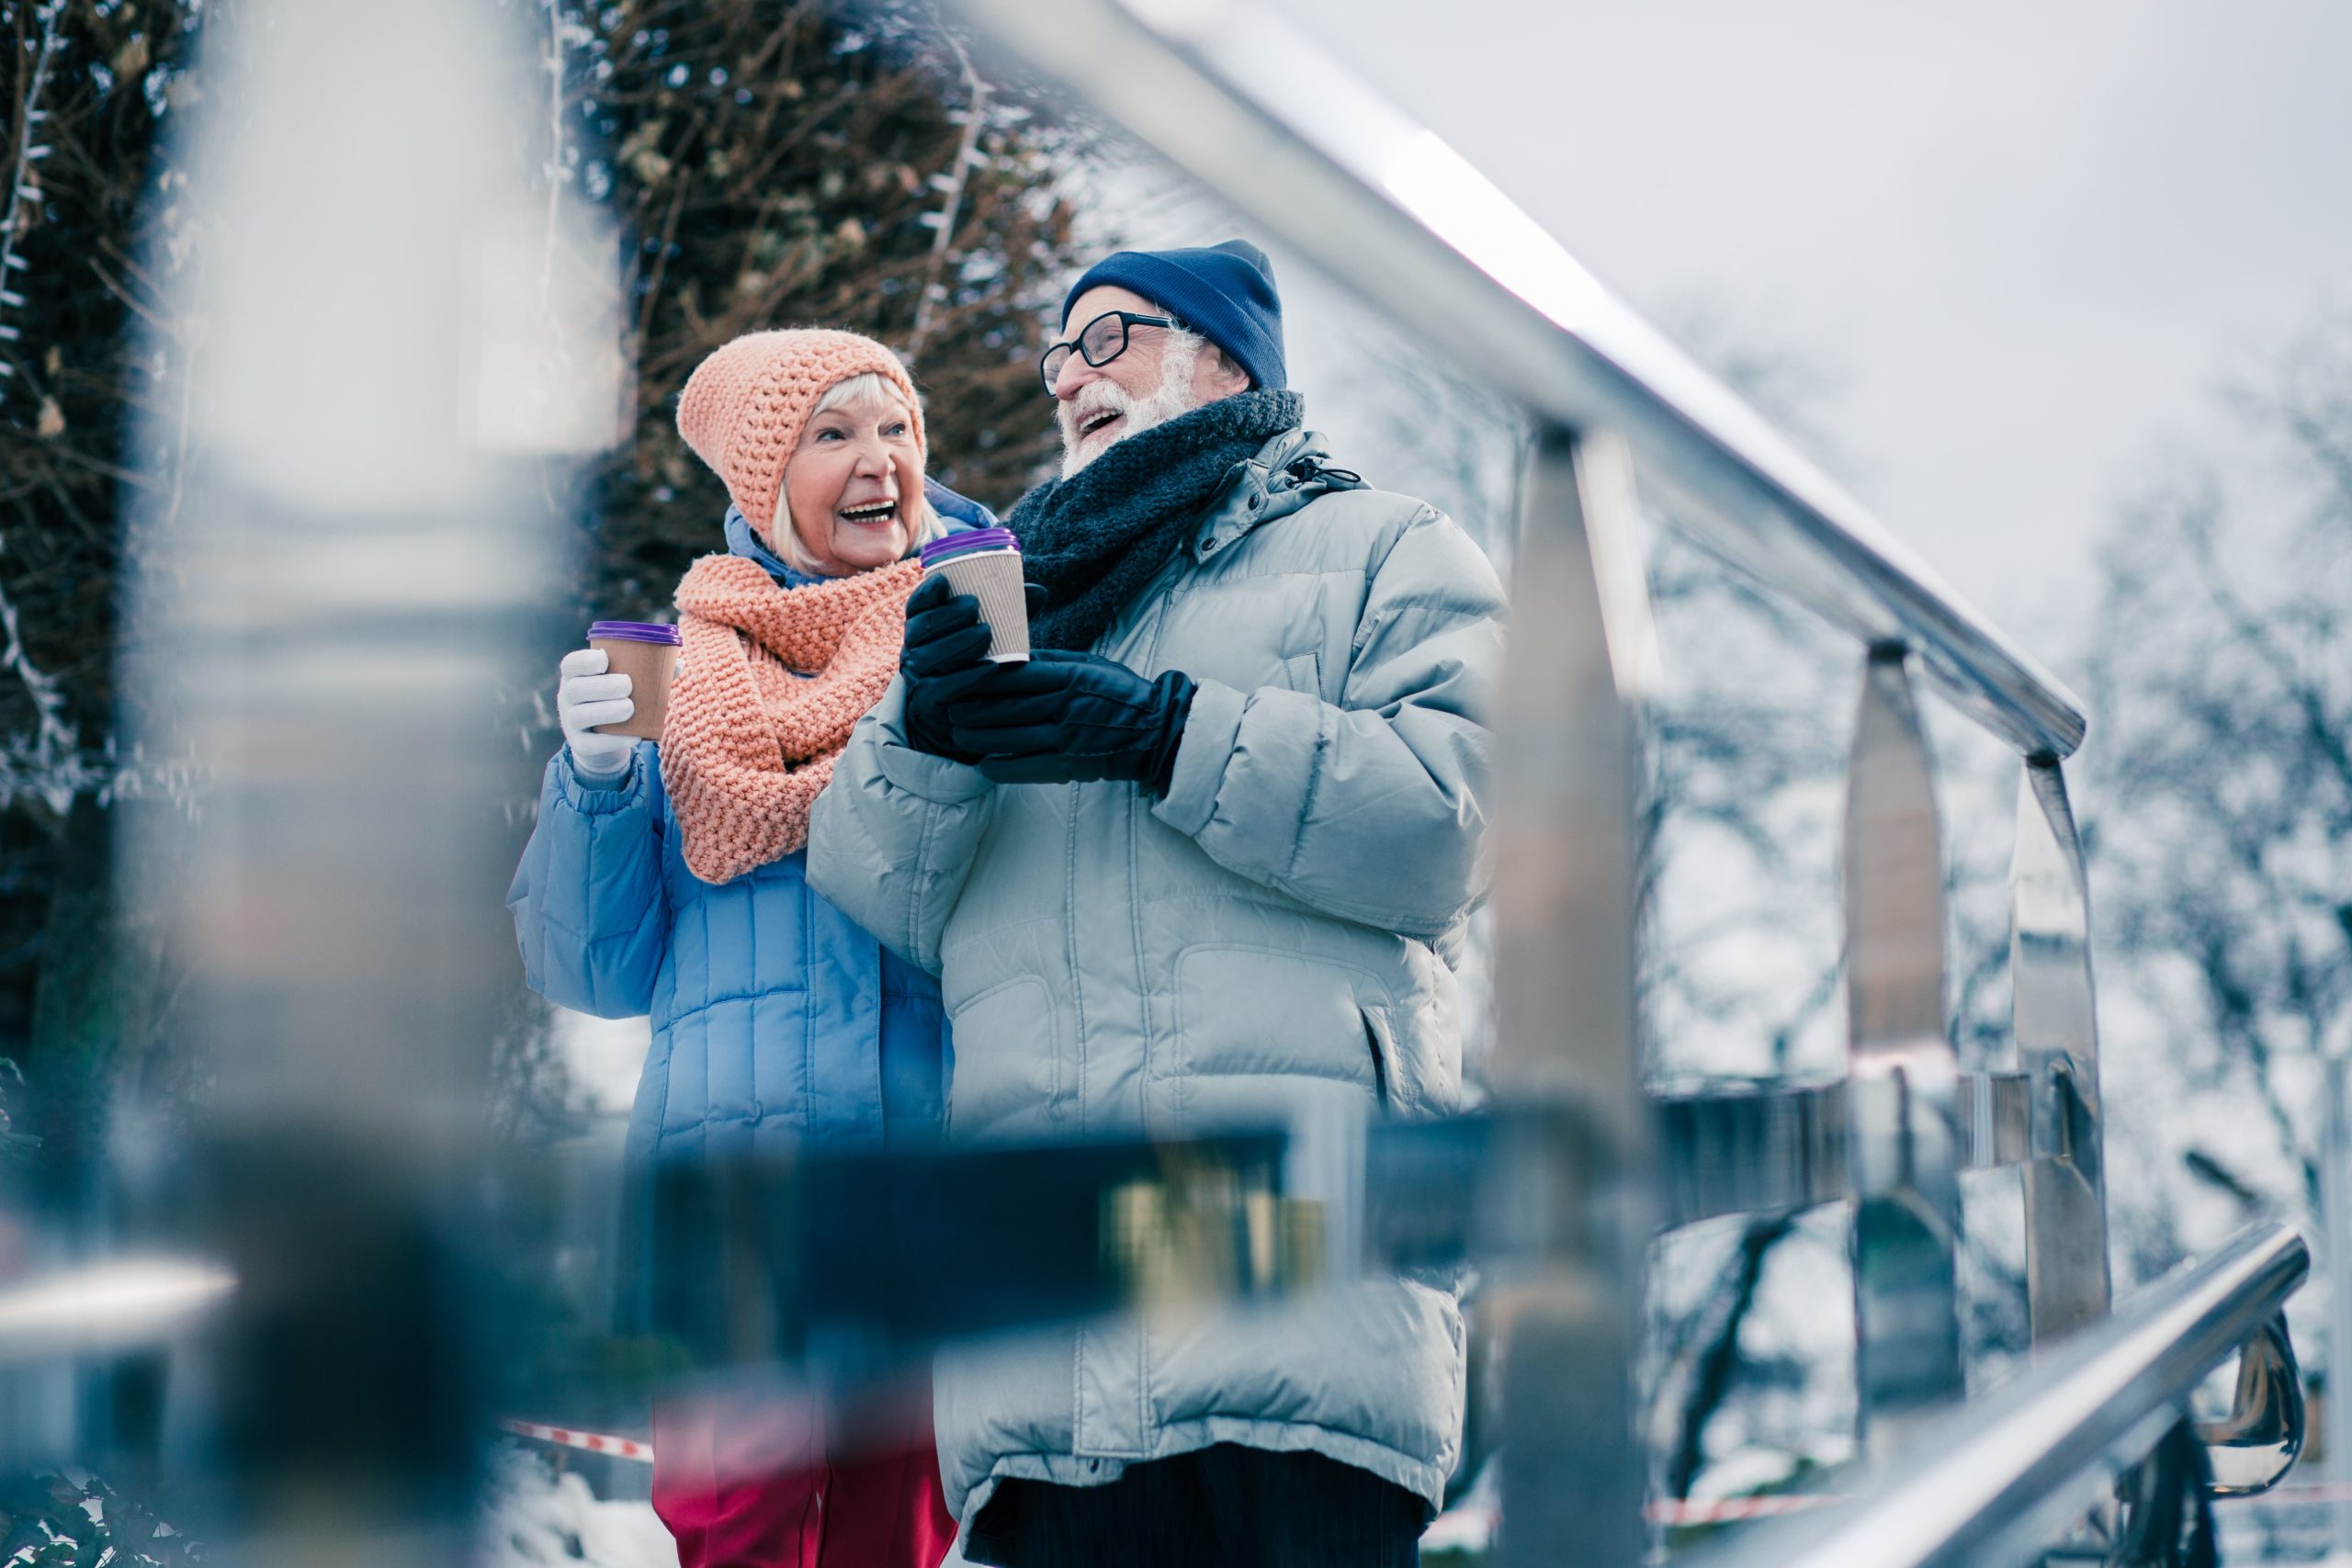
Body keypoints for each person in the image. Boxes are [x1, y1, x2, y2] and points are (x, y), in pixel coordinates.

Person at [807, 242, 1506, 1567]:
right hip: (1046, 1346)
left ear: (1227, 357)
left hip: (1304, 1302)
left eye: (1109, 338)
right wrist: (922, 731)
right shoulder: (1003, 596)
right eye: (1058, 351)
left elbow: (1457, 824)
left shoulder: (1384, 547)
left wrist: (1172, 735)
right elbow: (879, 895)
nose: (1071, 376)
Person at [508, 328, 979, 1568]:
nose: (879, 459)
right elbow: (586, 970)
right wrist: (599, 783)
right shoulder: (683, 685)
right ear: (759, 481)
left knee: (896, 1544)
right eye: (834, 433)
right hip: (733, 1221)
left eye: (896, 429)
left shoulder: (969, 637)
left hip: (920, 1193)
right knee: (741, 1540)